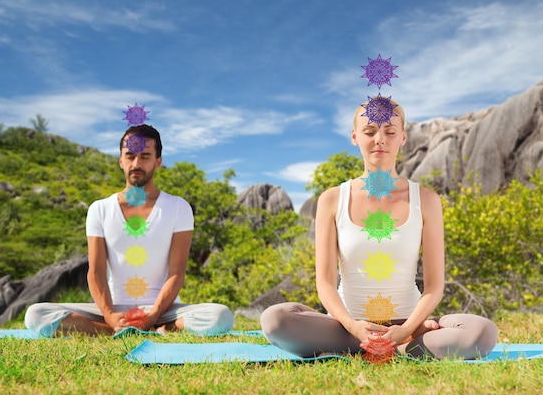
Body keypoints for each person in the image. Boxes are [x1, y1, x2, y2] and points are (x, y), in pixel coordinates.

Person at [260, 98, 498, 360]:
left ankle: (403, 345)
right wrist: (354, 327)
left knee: (482, 332)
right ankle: (377, 345)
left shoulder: (427, 200)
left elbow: (434, 286)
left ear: (403, 137)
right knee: (275, 320)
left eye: (390, 131)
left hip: (408, 324)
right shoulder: (332, 199)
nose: (380, 139)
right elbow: (325, 282)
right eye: (370, 132)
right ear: (355, 137)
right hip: (347, 327)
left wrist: (405, 329)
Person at [25, 124, 234, 337]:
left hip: (163, 310)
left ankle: (162, 328)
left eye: (145, 156)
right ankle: (110, 330)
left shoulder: (178, 207)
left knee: (220, 316)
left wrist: (153, 314)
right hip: (114, 309)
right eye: (130, 156)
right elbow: (96, 273)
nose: (136, 163)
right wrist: (109, 315)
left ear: (158, 162)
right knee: (36, 314)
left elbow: (177, 273)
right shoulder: (100, 209)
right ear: (121, 160)